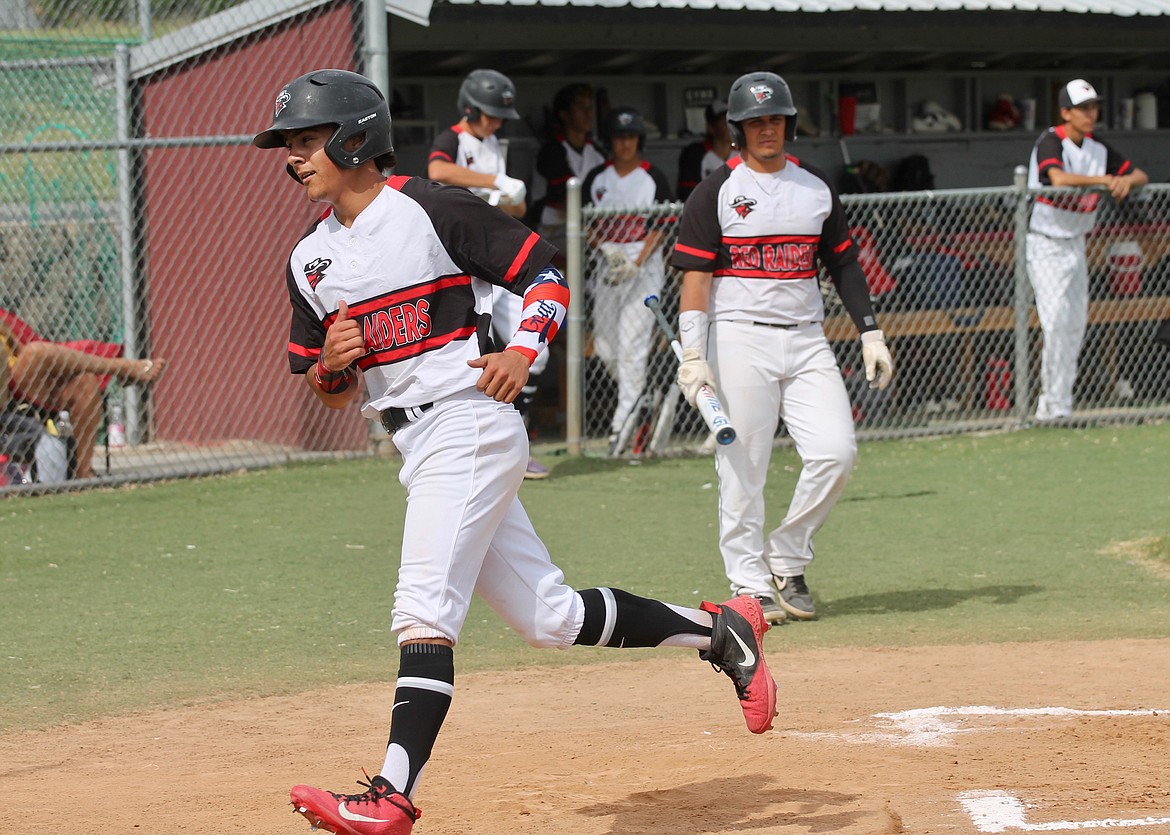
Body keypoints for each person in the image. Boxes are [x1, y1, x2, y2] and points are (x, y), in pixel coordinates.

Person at [252, 68, 777, 835]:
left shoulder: (428, 208)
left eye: (305, 141)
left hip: (467, 421)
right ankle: (721, 631)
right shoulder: (310, 259)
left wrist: (524, 350)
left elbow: (546, 275)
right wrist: (334, 365)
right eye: (289, 145)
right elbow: (325, 388)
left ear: (353, 138)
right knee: (549, 617)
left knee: (423, 607)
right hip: (417, 439)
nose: (293, 158)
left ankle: (392, 794)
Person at [670, 71, 894, 625]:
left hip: (807, 339)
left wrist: (869, 330)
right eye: (754, 122)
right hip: (740, 336)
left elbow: (841, 260)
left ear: (788, 124)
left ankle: (787, 557)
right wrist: (694, 354)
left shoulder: (814, 185)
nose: (766, 129)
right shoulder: (716, 190)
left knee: (836, 452)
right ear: (738, 129)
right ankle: (749, 583)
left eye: (774, 119)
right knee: (743, 465)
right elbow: (695, 278)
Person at [427, 68, 548, 479]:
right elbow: (439, 171)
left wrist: (507, 197)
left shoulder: (496, 143)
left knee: (536, 350)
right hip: (460, 260)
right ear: (468, 108)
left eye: (498, 116)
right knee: (471, 351)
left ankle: (519, 441)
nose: (494, 122)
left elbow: (511, 209)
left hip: (496, 253)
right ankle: (479, 445)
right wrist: (494, 180)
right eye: (487, 114)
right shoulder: (453, 139)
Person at [1025, 78, 1148, 423]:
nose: (1090, 114)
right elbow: (1058, 179)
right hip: (1046, 243)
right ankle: (1049, 406)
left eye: (1093, 107)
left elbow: (1140, 174)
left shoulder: (1097, 147)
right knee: (1055, 324)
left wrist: (1123, 180)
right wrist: (1105, 181)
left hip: (1076, 244)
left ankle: (1061, 404)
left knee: (1075, 324)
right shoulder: (1051, 141)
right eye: (1083, 108)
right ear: (1065, 112)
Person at [581, 106, 673, 454]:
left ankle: (621, 431)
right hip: (608, 267)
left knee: (633, 350)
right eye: (619, 138)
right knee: (606, 348)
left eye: (631, 137)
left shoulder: (653, 177)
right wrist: (605, 248)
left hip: (643, 270)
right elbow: (585, 223)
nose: (625, 144)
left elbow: (663, 226)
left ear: (639, 140)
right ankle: (644, 397)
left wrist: (637, 260)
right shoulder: (597, 178)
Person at [1, 308, 165, 480]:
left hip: (26, 379)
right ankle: (121, 367)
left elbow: (18, 345)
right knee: (35, 352)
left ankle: (83, 472)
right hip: (6, 390)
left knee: (85, 382)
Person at [530, 83, 606, 265]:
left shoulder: (595, 152)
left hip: (586, 234)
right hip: (551, 237)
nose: (589, 113)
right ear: (564, 115)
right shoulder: (552, 151)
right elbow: (567, 201)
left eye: (590, 107)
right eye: (581, 107)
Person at [677, 98, 733, 201]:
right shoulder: (693, 154)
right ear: (710, 127)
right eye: (725, 123)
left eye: (734, 122)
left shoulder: (746, 151)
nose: (731, 127)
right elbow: (688, 195)